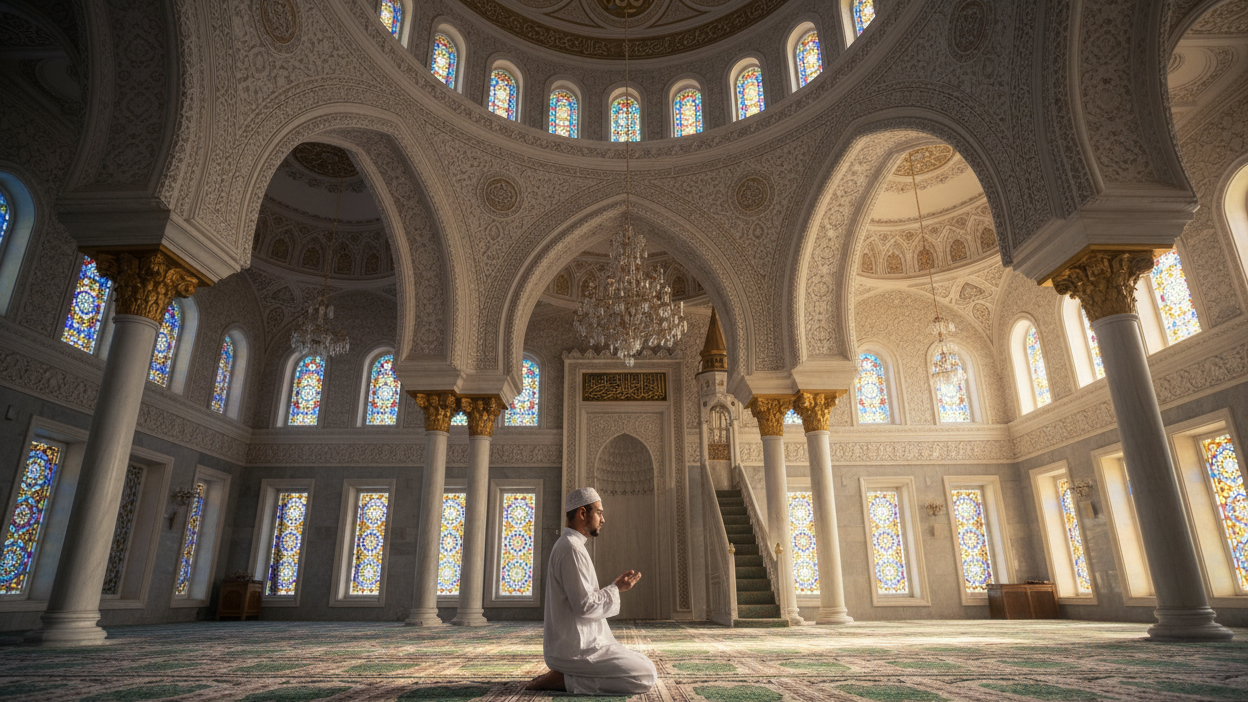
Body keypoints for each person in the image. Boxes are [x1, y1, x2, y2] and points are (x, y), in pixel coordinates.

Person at [525, 487, 658, 695]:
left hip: (580, 643)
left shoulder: (572, 545)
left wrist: (615, 588)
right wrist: (615, 589)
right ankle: (565, 680)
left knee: (643, 663)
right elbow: (584, 606)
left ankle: (567, 677)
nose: (603, 519)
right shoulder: (571, 548)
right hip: (575, 649)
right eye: (599, 512)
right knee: (645, 676)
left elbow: (582, 600)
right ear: (582, 514)